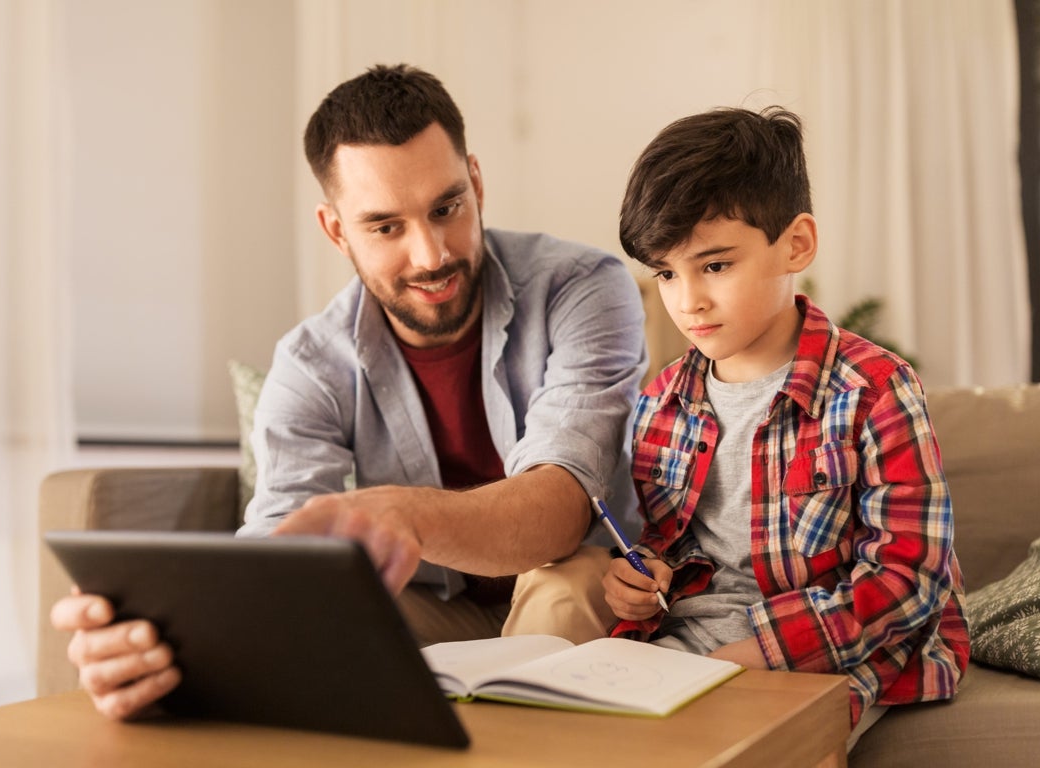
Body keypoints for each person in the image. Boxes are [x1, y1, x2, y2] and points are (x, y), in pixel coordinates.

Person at [51, 64, 647, 721]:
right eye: (386, 227)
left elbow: (561, 505)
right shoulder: (310, 364)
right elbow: (281, 548)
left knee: (569, 585)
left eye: (447, 208)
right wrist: (162, 647)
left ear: (476, 183)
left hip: (579, 587)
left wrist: (405, 517)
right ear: (337, 231)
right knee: (290, 624)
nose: (430, 254)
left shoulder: (583, 288)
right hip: (429, 613)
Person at [602, 106, 969, 748]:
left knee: (771, 743)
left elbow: (907, 578)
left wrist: (757, 654)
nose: (688, 300)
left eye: (715, 266)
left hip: (839, 645)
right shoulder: (662, 400)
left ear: (795, 244)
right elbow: (668, 545)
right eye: (666, 272)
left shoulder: (876, 387)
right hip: (684, 642)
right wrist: (642, 578)